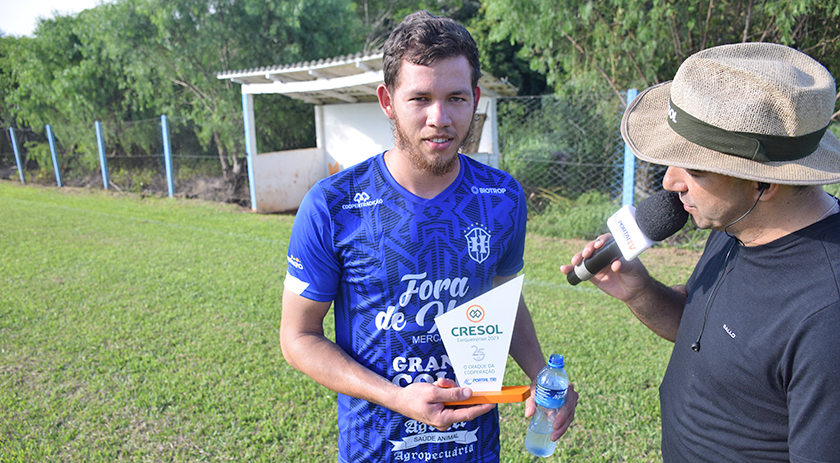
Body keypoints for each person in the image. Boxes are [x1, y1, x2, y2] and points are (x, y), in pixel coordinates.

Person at [280, 10, 577, 463]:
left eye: (456, 97)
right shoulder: (333, 205)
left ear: (475, 98)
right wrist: (397, 397)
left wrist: (540, 375)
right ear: (387, 101)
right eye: (420, 98)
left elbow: (503, 299)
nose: (440, 117)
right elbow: (298, 337)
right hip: (376, 446)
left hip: (475, 447)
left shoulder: (502, 198)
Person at [562, 42, 840, 462]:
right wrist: (640, 292)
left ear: (764, 183)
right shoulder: (735, 223)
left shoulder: (827, 316)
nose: (671, 181)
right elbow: (706, 332)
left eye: (694, 168)